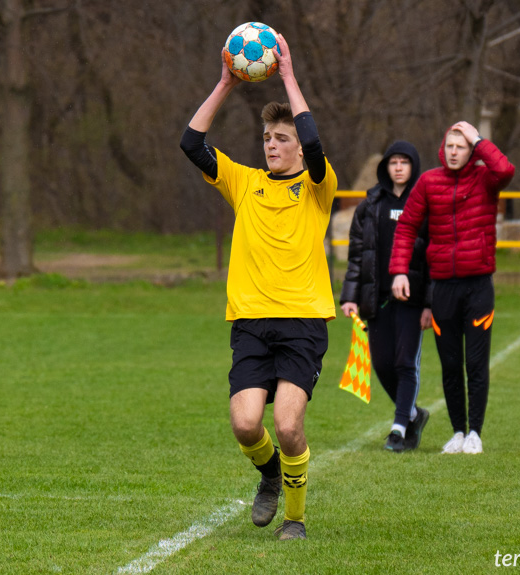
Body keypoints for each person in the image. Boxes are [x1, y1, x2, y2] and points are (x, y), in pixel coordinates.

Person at [179, 34, 337, 540]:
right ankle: (269, 476)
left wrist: (288, 76)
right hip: (250, 321)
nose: (272, 145)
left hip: (303, 320)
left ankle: (295, 518)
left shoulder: (317, 184)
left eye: (281, 138)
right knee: (247, 425)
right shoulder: (244, 182)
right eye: (268, 138)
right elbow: (191, 143)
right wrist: (225, 82)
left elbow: (313, 143)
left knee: (289, 427)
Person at [390, 121, 515, 455]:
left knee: (475, 363)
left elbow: (505, 169)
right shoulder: (429, 182)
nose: (455, 151)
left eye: (462, 146)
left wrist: (478, 137)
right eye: (450, 146)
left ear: (472, 149)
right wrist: (399, 271)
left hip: (478, 287)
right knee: (449, 365)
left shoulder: (486, 179)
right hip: (443, 288)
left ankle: (475, 432)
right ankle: (457, 432)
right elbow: (406, 228)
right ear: (442, 149)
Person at [339, 141, 433, 453]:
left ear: (413, 166)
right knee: (381, 364)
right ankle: (414, 414)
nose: (398, 167)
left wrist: (430, 303)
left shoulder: (424, 204)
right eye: (393, 162)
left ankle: (398, 428)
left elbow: (434, 255)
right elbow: (357, 255)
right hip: (375, 299)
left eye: (405, 162)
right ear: (385, 167)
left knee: (405, 362)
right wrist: (349, 296)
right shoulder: (370, 205)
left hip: (412, 298)